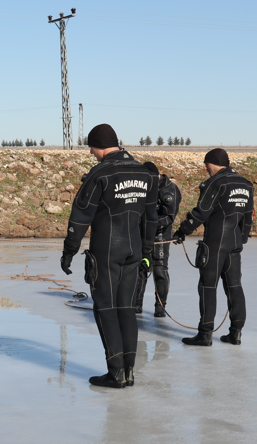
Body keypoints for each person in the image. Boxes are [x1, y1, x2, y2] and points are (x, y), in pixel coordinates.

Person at [60, 124, 159, 388]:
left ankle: (115, 372)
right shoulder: (145, 173)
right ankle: (129, 371)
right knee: (126, 308)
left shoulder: (100, 173)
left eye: (91, 147)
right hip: (134, 249)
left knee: (105, 307)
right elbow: (151, 218)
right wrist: (147, 252)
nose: (91, 152)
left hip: (107, 249)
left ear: (98, 145)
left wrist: (69, 251)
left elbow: (81, 215)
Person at [172, 148, 253, 347]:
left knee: (207, 287)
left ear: (214, 163)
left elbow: (202, 212)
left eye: (206, 164)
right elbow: (248, 216)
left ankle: (205, 334)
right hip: (234, 242)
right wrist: (241, 239)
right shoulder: (246, 184)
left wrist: (182, 231)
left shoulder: (215, 183)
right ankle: (236, 333)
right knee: (234, 286)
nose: (205, 168)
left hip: (215, 243)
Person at [134, 166, 182, 317]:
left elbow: (169, 217)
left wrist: (148, 223)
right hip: (142, 233)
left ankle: (160, 306)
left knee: (160, 270)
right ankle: (136, 304)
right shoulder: (143, 187)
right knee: (142, 267)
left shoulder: (169, 190)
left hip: (161, 234)